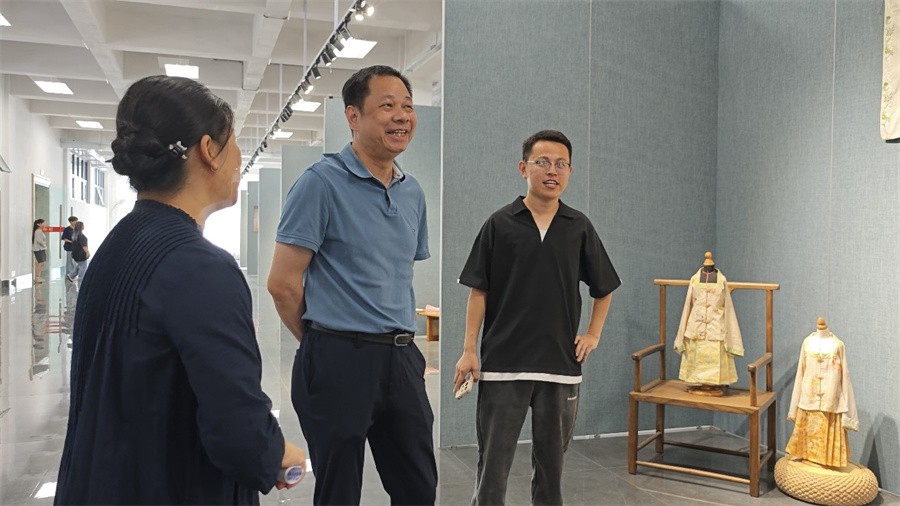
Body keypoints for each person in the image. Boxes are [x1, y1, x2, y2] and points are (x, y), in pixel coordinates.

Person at [55, 75, 306, 505]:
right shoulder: (202, 268)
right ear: (209, 150)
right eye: (234, 142)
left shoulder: (117, 244)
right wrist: (277, 453)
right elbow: (237, 429)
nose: (238, 157)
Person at [268, 65, 437, 505]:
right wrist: (325, 341)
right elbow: (282, 284)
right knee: (339, 491)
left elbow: (397, 273)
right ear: (353, 116)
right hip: (339, 357)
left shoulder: (412, 192)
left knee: (419, 488)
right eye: (387, 105)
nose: (401, 116)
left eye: (407, 106)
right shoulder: (320, 184)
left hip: (401, 358)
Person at [454, 130, 621, 505]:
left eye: (561, 164)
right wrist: (469, 350)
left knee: (551, 471)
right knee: (492, 467)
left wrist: (592, 335)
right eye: (542, 162)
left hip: (559, 367)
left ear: (570, 171)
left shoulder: (578, 226)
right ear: (523, 168)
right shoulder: (499, 224)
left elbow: (604, 287)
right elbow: (478, 291)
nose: (552, 171)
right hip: (503, 364)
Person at [32, 219, 47, 284]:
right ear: (39, 224)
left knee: (42, 263)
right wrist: (44, 244)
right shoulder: (38, 231)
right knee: (40, 263)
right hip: (38, 249)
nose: (44, 224)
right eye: (43, 223)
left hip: (41, 249)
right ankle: (37, 277)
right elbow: (39, 240)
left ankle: (38, 277)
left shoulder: (40, 231)